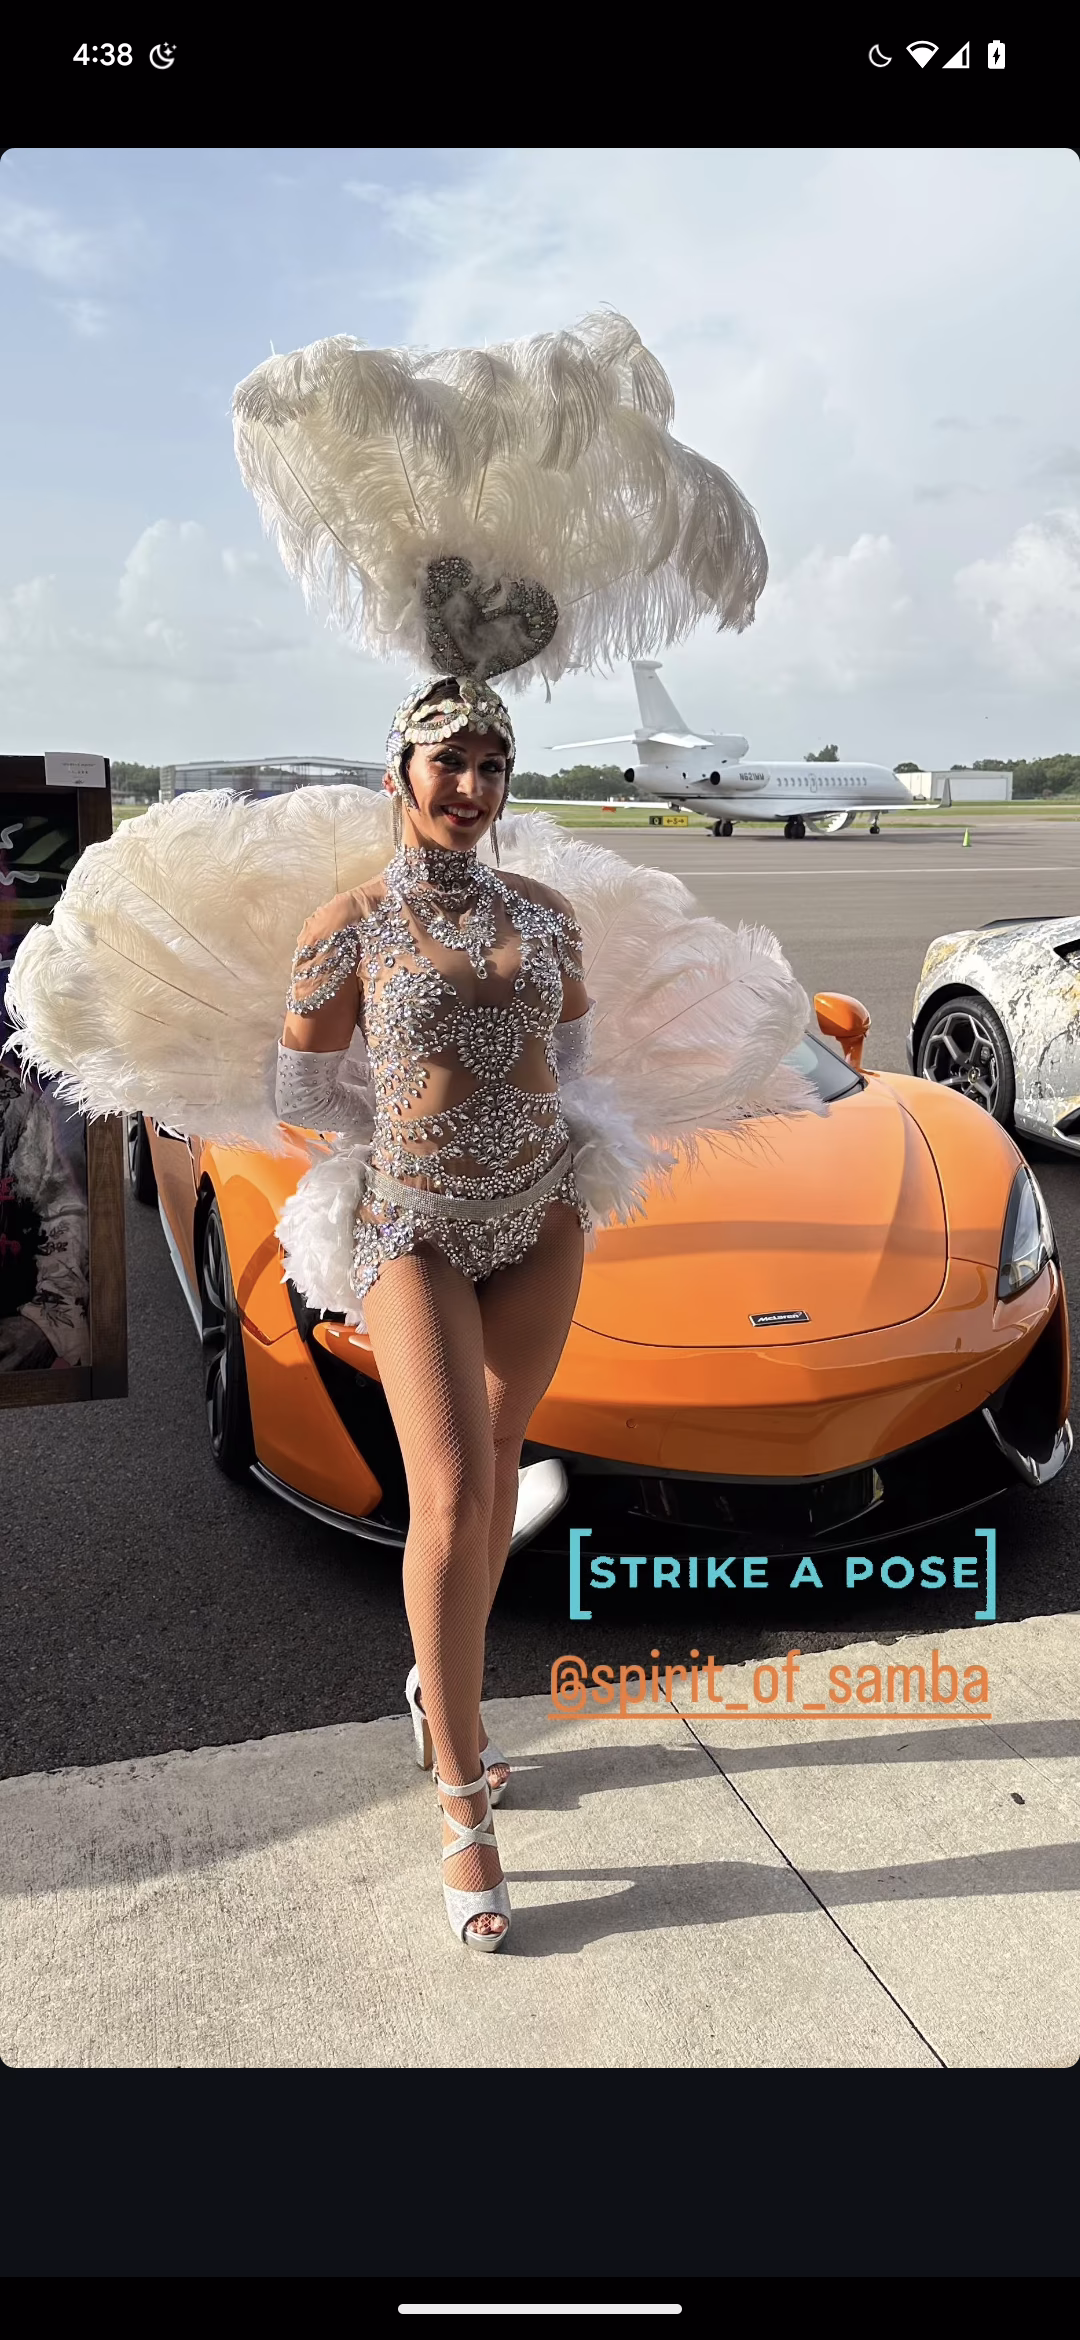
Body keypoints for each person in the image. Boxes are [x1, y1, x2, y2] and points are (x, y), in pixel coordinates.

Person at [275, 675, 594, 1948]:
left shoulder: (550, 915)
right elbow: (301, 1088)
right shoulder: (348, 924)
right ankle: (464, 1799)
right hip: (412, 1226)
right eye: (448, 761)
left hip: (542, 1220)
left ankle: (437, 1688)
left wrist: (518, 1129)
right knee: (453, 1495)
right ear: (400, 772)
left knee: (500, 1471)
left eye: (491, 765)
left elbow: (572, 1055)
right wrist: (406, 1133)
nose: (470, 786)